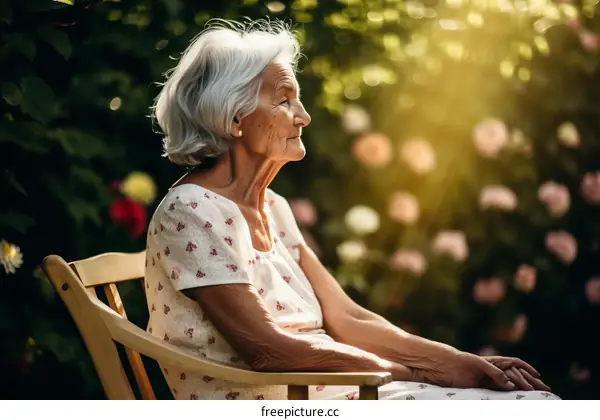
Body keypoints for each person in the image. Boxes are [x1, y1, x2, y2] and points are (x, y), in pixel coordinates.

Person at [144, 18, 560, 400]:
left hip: (333, 387)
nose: (303, 116)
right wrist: (415, 372)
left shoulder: (273, 206)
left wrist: (456, 361)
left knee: (534, 401)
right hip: (283, 399)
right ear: (234, 117)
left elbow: (346, 318)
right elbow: (267, 351)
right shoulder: (191, 211)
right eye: (284, 100)